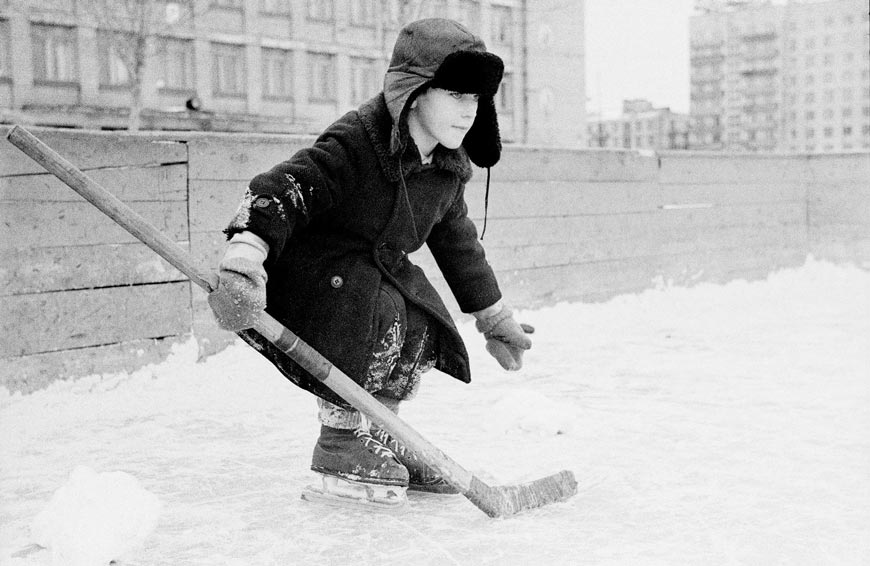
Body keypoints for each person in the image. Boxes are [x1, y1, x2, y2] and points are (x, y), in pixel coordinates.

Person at [207, 18, 532, 509]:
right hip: (311, 276)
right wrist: (245, 259)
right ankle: (339, 441)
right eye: (456, 95)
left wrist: (494, 318)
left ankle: (382, 431)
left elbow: (458, 241)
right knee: (372, 305)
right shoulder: (358, 141)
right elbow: (281, 189)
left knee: (420, 317)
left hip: (372, 272)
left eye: (477, 100)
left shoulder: (447, 166)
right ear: (415, 92)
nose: (469, 112)